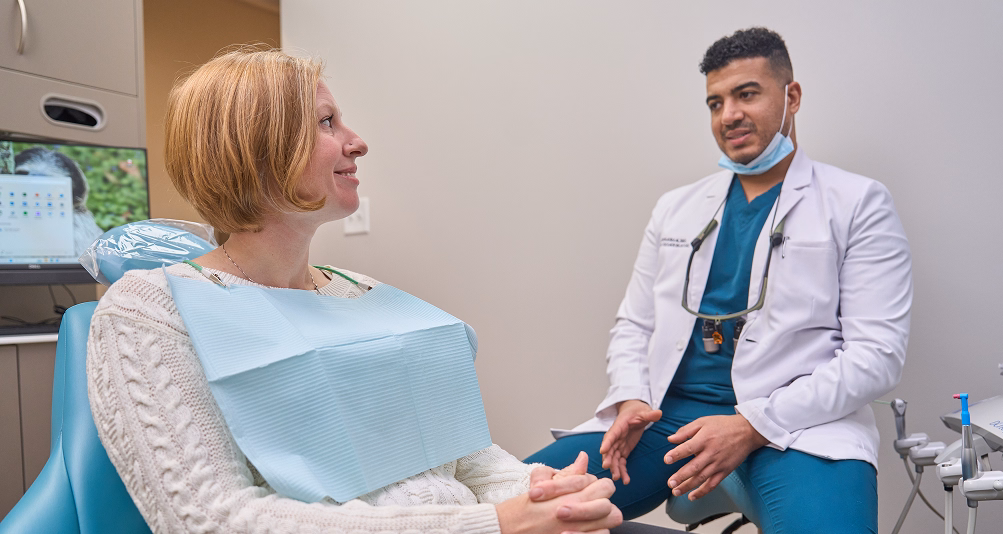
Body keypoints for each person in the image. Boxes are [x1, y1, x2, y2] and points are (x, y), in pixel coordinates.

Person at [86, 47, 623, 534]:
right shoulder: (151, 310)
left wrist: (547, 496)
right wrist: (493, 526)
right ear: (257, 148)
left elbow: (471, 461)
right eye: (326, 123)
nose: (357, 143)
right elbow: (213, 519)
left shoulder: (364, 296)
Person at [526, 27, 912, 533]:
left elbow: (876, 355)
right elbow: (633, 325)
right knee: (515, 502)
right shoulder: (677, 208)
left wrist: (753, 423)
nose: (729, 115)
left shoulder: (857, 202)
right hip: (666, 425)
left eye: (747, 94)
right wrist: (630, 398)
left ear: (791, 96)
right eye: (715, 102)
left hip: (798, 426)